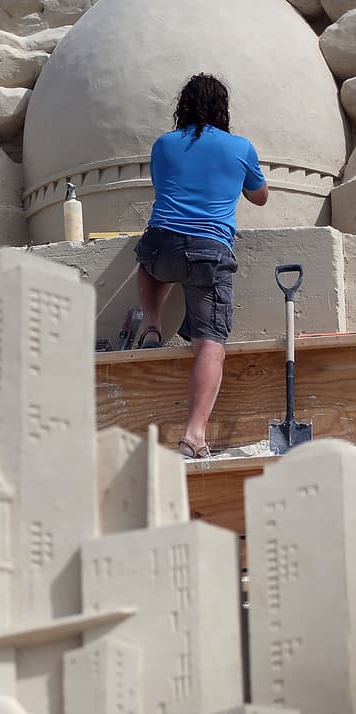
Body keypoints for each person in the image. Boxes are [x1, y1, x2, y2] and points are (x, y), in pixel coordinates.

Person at [134, 73, 269, 458]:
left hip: (162, 246)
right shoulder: (240, 147)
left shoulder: (164, 144)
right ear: (222, 109)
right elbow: (260, 197)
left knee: (146, 262)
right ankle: (194, 435)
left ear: (184, 107)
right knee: (210, 343)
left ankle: (152, 325)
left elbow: (164, 189)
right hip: (209, 251)